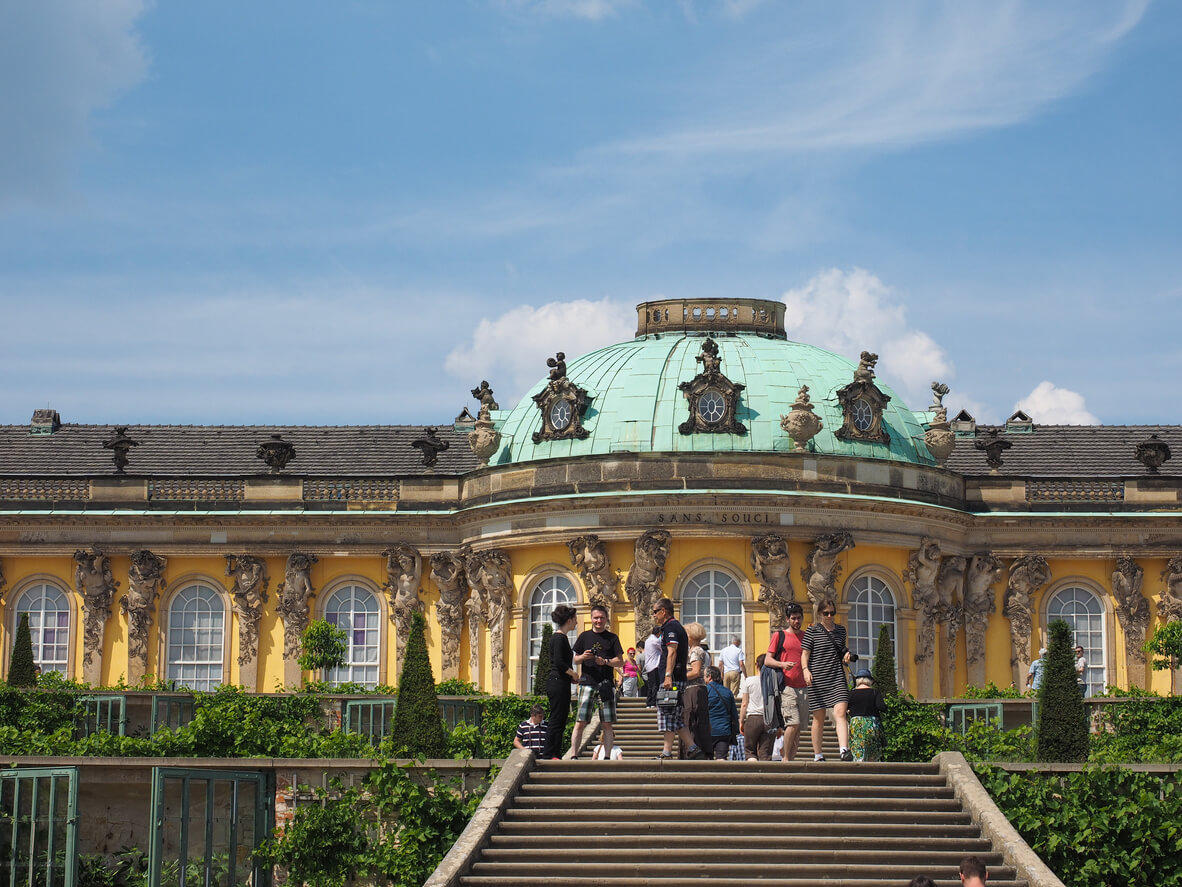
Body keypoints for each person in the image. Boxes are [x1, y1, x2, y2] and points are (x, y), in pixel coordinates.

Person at [651, 597, 707, 760]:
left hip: (672, 679)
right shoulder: (674, 627)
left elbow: (672, 652)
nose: (653, 615)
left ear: (663, 611)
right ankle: (693, 748)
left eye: (655, 612)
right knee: (675, 717)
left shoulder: (671, 627)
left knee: (667, 713)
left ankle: (667, 753)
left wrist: (668, 675)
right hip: (676, 678)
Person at [569, 604, 625, 759]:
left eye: (601, 617)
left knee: (607, 724)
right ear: (591, 619)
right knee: (580, 721)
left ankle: (607, 757)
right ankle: (573, 755)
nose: (598, 620)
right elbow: (575, 659)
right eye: (595, 617)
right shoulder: (584, 637)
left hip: (605, 685)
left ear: (606, 618)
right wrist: (584, 657)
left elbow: (620, 661)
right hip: (587, 682)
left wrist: (605, 661)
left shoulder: (612, 638)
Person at [801, 599, 854, 762]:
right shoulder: (812, 631)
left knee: (840, 713)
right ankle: (818, 754)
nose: (829, 616)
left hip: (837, 676)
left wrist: (846, 657)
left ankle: (844, 750)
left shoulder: (840, 630)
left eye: (832, 613)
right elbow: (804, 655)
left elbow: (841, 651)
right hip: (817, 678)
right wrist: (805, 670)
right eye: (826, 613)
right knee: (819, 717)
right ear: (819, 614)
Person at [764, 602, 808, 761]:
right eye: (794, 618)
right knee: (793, 723)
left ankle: (792, 758)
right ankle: (786, 759)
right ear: (787, 619)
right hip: (786, 687)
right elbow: (767, 660)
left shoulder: (806, 637)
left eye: (799, 618)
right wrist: (782, 664)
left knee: (798, 729)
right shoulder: (779, 636)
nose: (797, 621)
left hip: (804, 687)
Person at [543, 604, 579, 760]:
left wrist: (569, 677)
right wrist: (574, 673)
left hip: (560, 682)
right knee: (557, 718)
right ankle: (549, 753)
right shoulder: (559, 638)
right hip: (557, 682)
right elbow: (558, 662)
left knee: (560, 718)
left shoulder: (560, 637)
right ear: (569, 620)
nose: (576, 622)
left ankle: (554, 753)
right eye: (575, 619)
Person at [683, 621, 713, 758]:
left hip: (694, 689)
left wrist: (679, 677)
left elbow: (695, 672)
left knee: (691, 719)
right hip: (697, 689)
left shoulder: (696, 651)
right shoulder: (701, 651)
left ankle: (694, 749)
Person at [739, 653, 776, 760]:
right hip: (769, 720)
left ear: (757, 665)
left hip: (753, 718)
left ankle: (752, 772)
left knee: (750, 751)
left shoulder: (749, 681)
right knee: (765, 753)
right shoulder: (773, 683)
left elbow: (744, 703)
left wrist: (741, 721)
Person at [847, 668, 887, 762]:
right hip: (872, 725)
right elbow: (882, 707)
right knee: (873, 753)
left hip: (856, 724)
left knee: (857, 750)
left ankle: (858, 770)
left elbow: (844, 709)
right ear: (870, 681)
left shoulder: (851, 693)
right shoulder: (874, 693)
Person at [704, 665, 739, 760]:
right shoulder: (727, 692)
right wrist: (736, 730)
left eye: (704, 676)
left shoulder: (705, 691)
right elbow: (734, 714)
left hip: (708, 731)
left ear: (709, 676)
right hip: (724, 730)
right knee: (722, 758)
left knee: (707, 759)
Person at [643, 625, 663, 708]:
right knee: (655, 685)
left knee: (650, 686)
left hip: (649, 666)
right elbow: (663, 649)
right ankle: (653, 702)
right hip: (654, 665)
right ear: (658, 633)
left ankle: (649, 702)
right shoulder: (655, 641)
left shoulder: (647, 640)